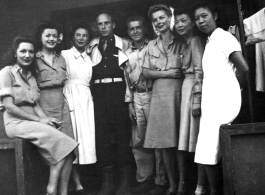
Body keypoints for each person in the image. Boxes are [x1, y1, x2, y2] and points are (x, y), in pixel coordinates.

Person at [0, 36, 78, 195]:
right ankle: (51, 188)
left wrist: (47, 120)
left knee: (69, 147)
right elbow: (9, 106)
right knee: (65, 142)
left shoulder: (31, 76)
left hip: (32, 122)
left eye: (30, 51)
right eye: (23, 51)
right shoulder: (6, 73)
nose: (27, 55)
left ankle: (62, 192)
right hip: (16, 123)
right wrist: (40, 120)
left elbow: (34, 104)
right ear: (15, 53)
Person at [193, 2, 249, 195]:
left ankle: (215, 192)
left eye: (204, 16)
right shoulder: (210, 40)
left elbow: (243, 68)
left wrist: (234, 88)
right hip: (212, 101)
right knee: (206, 148)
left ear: (214, 16)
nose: (201, 21)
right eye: (197, 18)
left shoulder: (224, 37)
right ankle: (208, 190)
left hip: (223, 100)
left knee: (208, 148)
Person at [87, 13, 132, 195]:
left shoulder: (125, 43)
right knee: (102, 137)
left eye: (107, 23)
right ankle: (108, 184)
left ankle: (125, 183)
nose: (103, 27)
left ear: (113, 24)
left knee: (122, 136)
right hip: (99, 95)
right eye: (100, 24)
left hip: (118, 93)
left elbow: (129, 72)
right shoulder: (92, 45)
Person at [143, 4, 183, 195]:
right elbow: (145, 71)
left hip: (179, 95)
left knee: (181, 142)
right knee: (165, 144)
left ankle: (183, 184)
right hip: (159, 97)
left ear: (169, 18)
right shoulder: (151, 45)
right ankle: (172, 184)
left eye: (162, 18)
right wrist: (166, 73)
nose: (159, 22)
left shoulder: (182, 40)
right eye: (155, 20)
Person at [124, 15, 167, 194]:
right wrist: (130, 104)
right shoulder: (126, 53)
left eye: (138, 27)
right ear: (128, 31)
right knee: (139, 140)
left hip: (153, 96)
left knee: (157, 139)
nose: (135, 31)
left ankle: (161, 180)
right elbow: (126, 81)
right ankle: (144, 178)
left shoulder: (154, 46)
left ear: (144, 29)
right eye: (131, 28)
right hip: (136, 97)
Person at [61, 24, 96, 195]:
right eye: (78, 35)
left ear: (89, 38)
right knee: (72, 138)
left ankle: (83, 181)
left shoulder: (90, 57)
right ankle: (75, 183)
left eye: (85, 35)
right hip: (70, 97)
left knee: (85, 141)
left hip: (86, 98)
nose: (81, 38)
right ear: (72, 37)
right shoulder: (64, 55)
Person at [174, 9, 205, 195]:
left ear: (191, 23)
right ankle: (188, 184)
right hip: (186, 88)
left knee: (196, 139)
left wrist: (196, 99)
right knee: (186, 140)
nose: (179, 24)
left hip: (193, 89)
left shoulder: (195, 41)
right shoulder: (185, 43)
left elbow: (200, 70)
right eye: (177, 21)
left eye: (183, 20)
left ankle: (200, 186)